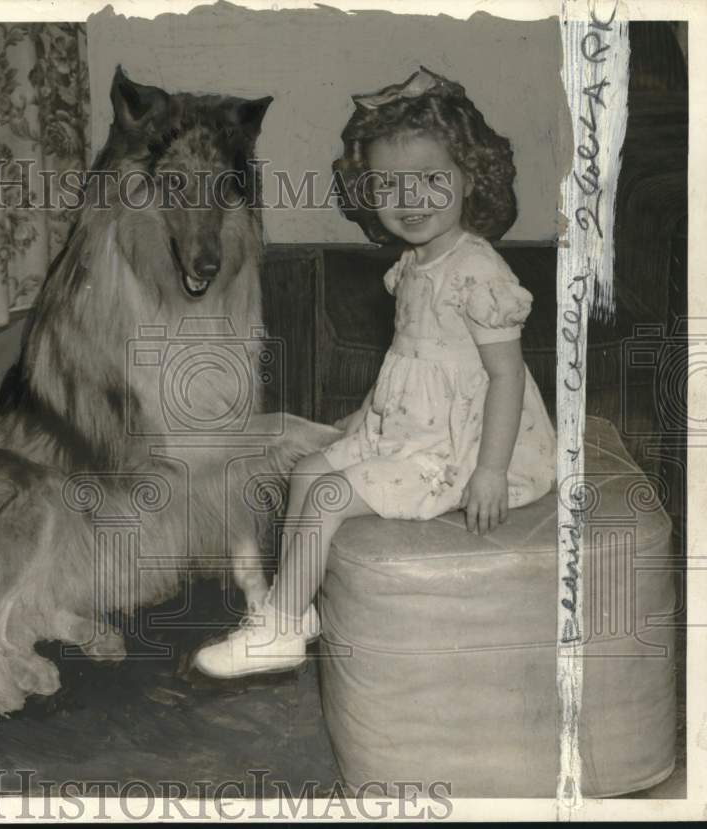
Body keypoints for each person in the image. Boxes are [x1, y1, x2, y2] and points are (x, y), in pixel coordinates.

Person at [194, 67, 557, 678]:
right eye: (389, 183)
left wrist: (490, 471)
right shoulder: (416, 264)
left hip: (466, 448)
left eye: (431, 179)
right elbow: (412, 366)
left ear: (472, 178)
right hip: (416, 428)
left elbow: (506, 377)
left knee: (328, 495)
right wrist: (368, 418)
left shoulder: (478, 272)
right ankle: (293, 610)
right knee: (308, 470)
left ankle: (280, 631)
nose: (409, 199)